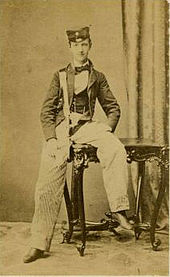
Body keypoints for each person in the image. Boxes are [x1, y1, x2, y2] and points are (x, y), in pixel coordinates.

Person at [23, 26, 132, 263]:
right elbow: (46, 111)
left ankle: (119, 209)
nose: (80, 49)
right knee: (46, 182)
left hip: (87, 128)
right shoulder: (60, 75)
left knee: (114, 147)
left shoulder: (98, 77)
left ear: (90, 45)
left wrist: (106, 128)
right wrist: (51, 138)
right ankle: (38, 243)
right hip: (61, 131)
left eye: (84, 44)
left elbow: (113, 108)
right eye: (76, 45)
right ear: (70, 47)